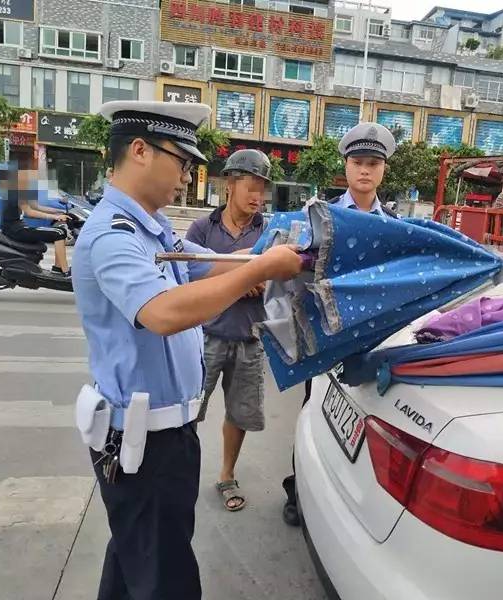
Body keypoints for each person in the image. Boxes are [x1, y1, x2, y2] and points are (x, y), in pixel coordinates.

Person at [71, 101, 302, 600]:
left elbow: (205, 265)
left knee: (138, 557)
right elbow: (163, 312)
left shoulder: (151, 229)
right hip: (143, 445)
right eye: (181, 161)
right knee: (165, 578)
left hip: (166, 437)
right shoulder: (114, 236)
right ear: (139, 151)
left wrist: (269, 255)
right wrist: (260, 269)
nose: (186, 175)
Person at [281, 122, 398, 526]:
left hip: (369, 339)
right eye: (357, 162)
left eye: (372, 163)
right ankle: (298, 488)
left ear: (383, 170)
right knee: (314, 413)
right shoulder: (320, 216)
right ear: (345, 167)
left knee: (362, 420)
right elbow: (291, 267)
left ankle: (346, 493)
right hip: (325, 336)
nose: (364, 170)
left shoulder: (393, 224)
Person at [186, 149, 270, 512]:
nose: (257, 196)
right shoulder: (202, 230)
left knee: (240, 413)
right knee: (188, 410)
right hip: (207, 336)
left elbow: (285, 279)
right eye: (250, 186)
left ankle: (226, 474)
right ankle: (181, 475)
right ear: (230, 185)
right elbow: (186, 280)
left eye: (262, 189)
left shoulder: (269, 231)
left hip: (251, 338)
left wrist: (266, 283)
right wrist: (239, 281)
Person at [0, 166, 71, 276]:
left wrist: (58, 212)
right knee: (59, 233)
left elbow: (36, 206)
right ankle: (65, 270)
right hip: (14, 229)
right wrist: (55, 217)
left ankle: (58, 268)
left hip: (20, 226)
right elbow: (29, 212)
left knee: (61, 231)